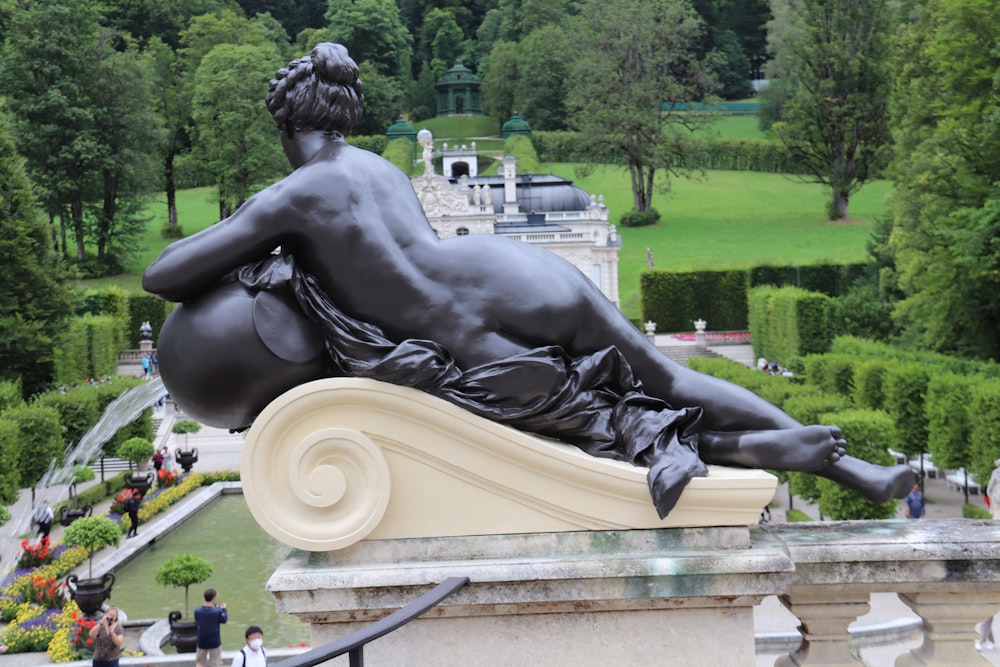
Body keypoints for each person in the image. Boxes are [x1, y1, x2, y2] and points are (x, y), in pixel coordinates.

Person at [143, 42, 915, 518]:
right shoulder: (377, 167)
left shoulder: (294, 194)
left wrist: (262, 247)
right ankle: (851, 465)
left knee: (608, 428)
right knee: (661, 376)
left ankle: (788, 450)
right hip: (516, 273)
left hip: (472, 339)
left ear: (287, 125)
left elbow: (163, 273)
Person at [195, 588, 228, 667]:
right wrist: (224, 609)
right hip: (214, 640)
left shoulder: (197, 611)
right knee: (216, 663)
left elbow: (197, 621)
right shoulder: (217, 611)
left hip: (202, 640)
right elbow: (224, 620)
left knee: (200, 662)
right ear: (213, 598)